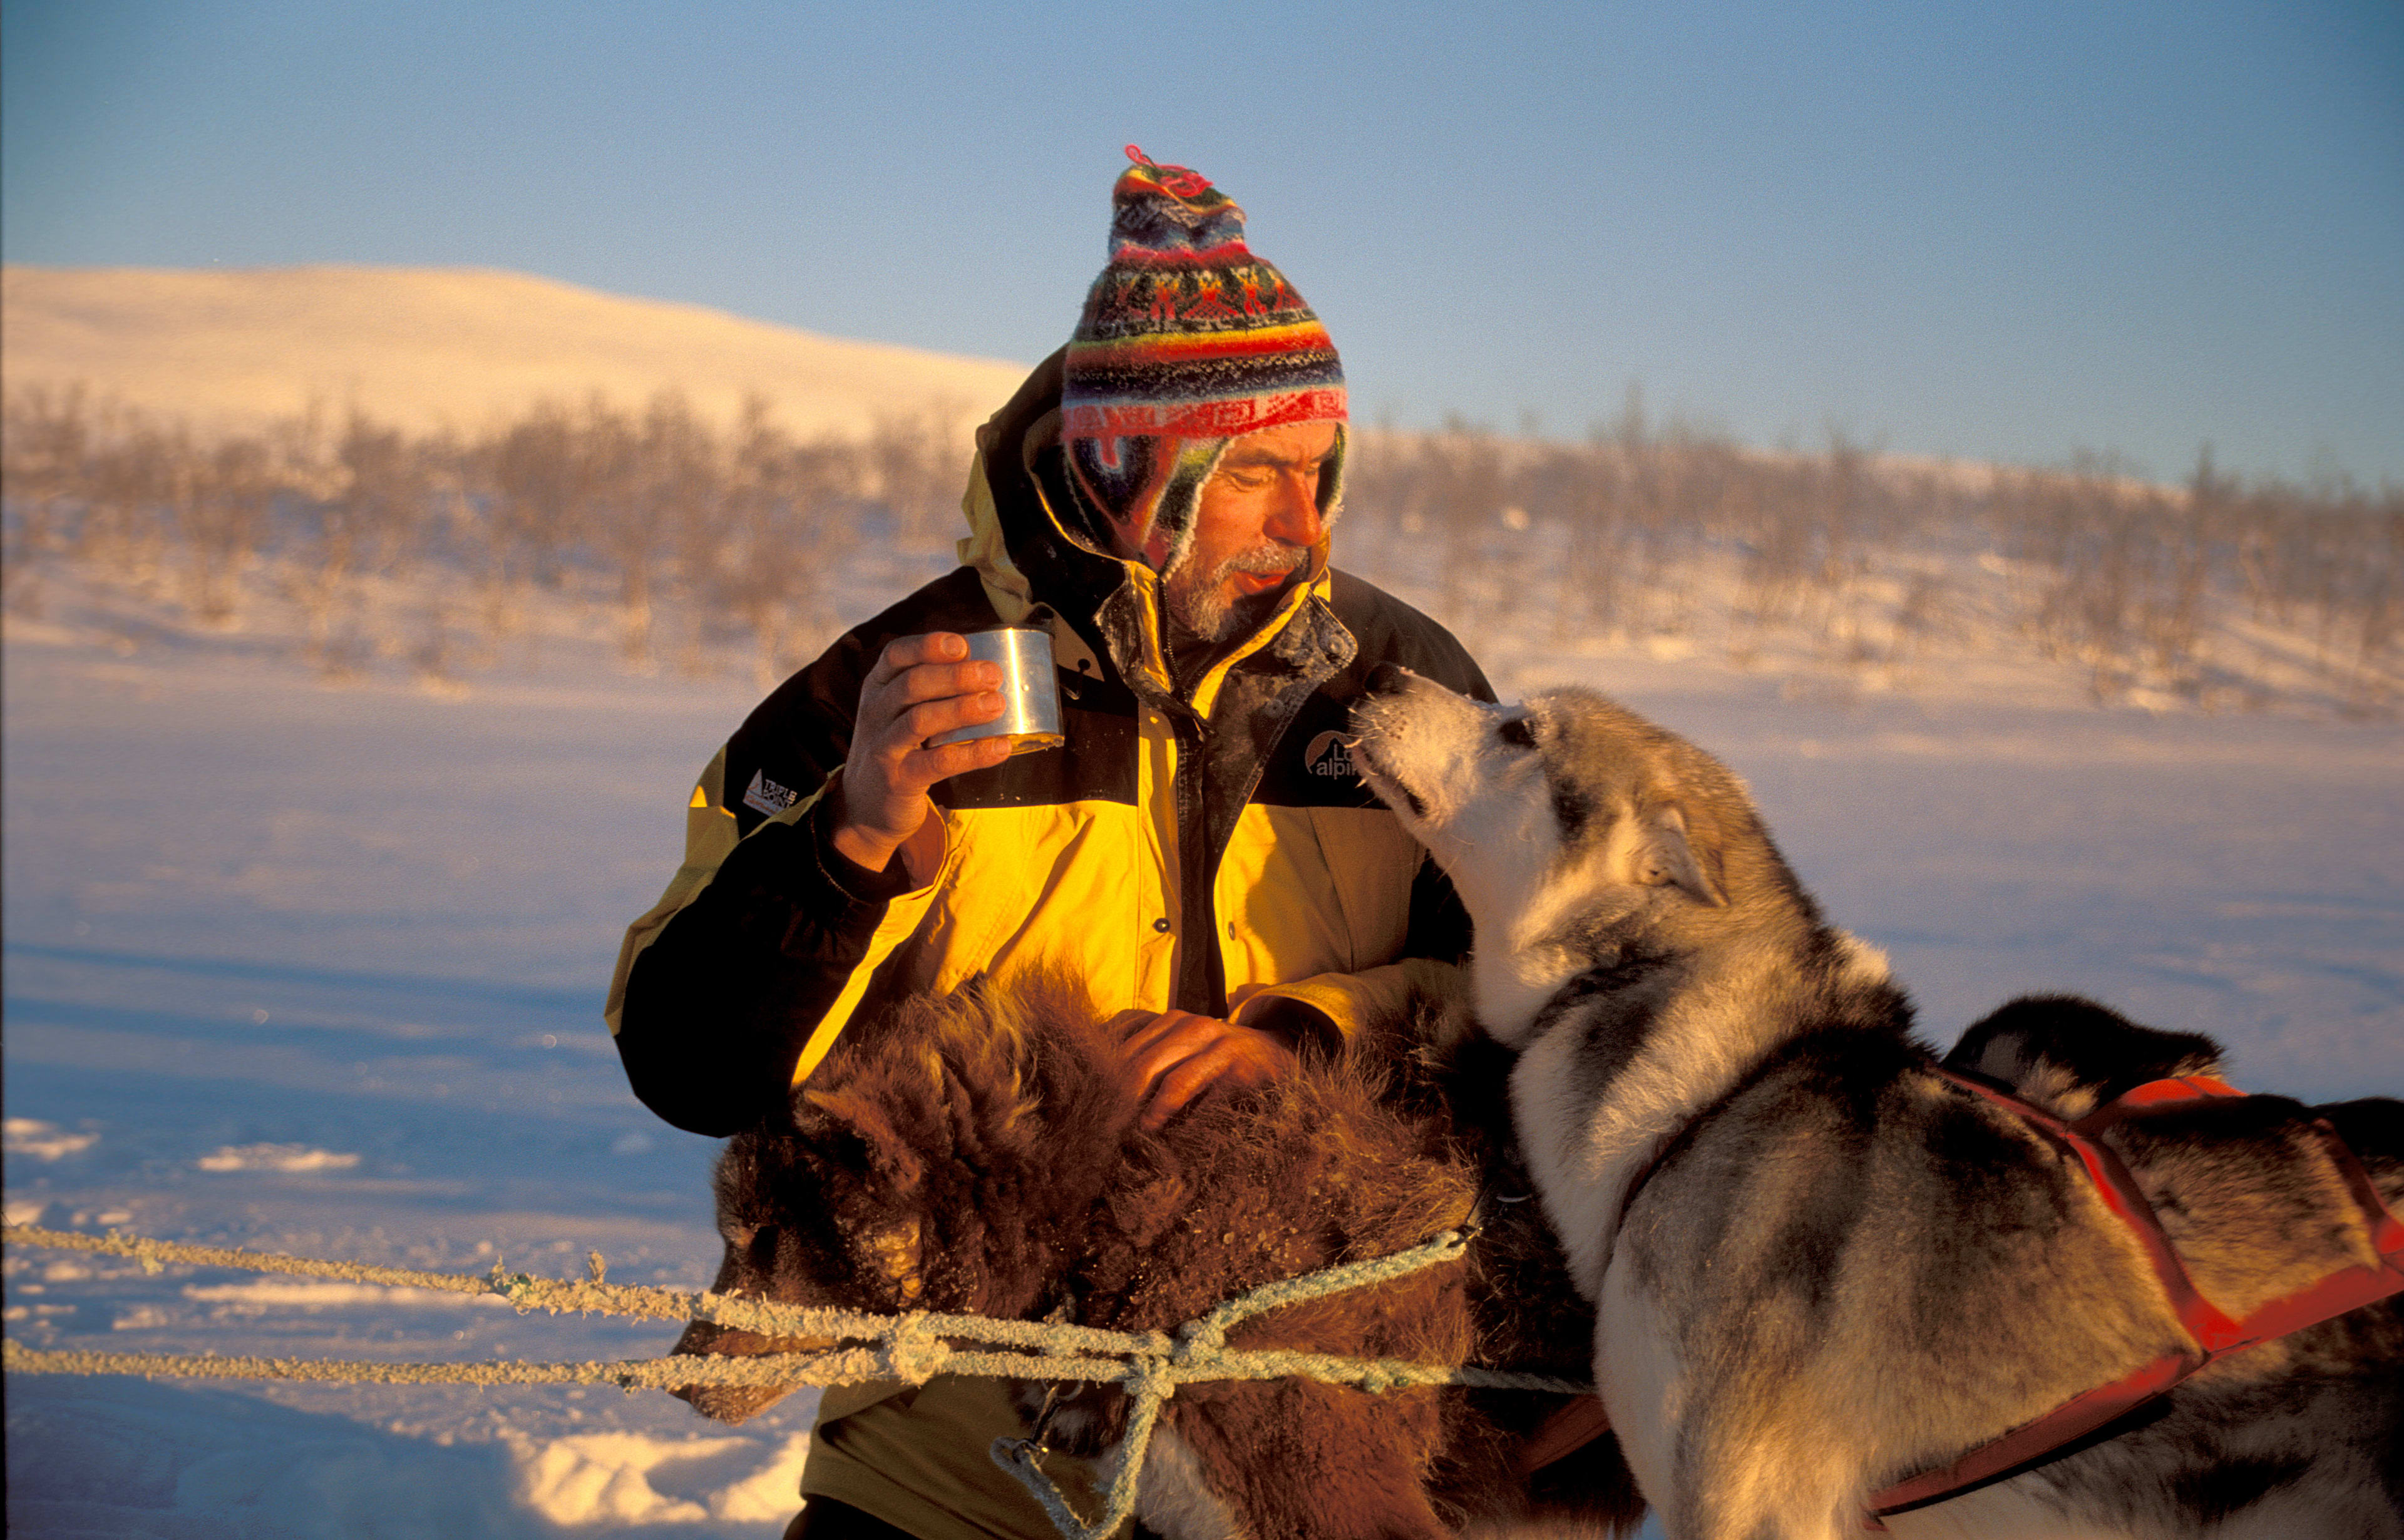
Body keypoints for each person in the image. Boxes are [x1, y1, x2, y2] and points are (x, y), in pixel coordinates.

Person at [606, 148, 1492, 1540]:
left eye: (1322, 471)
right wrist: (849, 841)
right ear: (1131, 460)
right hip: (944, 1471)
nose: (1306, 525)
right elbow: (687, 1062)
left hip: (1295, 1460)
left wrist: (1311, 1043)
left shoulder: (1398, 690)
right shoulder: (900, 680)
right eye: (1256, 473)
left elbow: (1539, 1017)